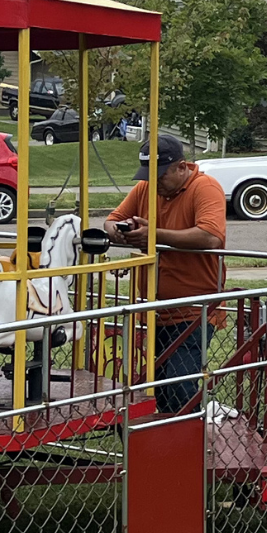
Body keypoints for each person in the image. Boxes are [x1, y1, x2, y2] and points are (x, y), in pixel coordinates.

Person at [106, 133, 226, 415]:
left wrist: (153, 235)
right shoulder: (146, 188)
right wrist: (121, 232)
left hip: (195, 309)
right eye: (150, 175)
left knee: (179, 381)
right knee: (158, 383)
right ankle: (167, 438)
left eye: (161, 175)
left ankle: (188, 435)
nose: (155, 182)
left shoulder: (205, 188)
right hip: (154, 309)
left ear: (182, 167)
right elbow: (110, 221)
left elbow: (210, 237)